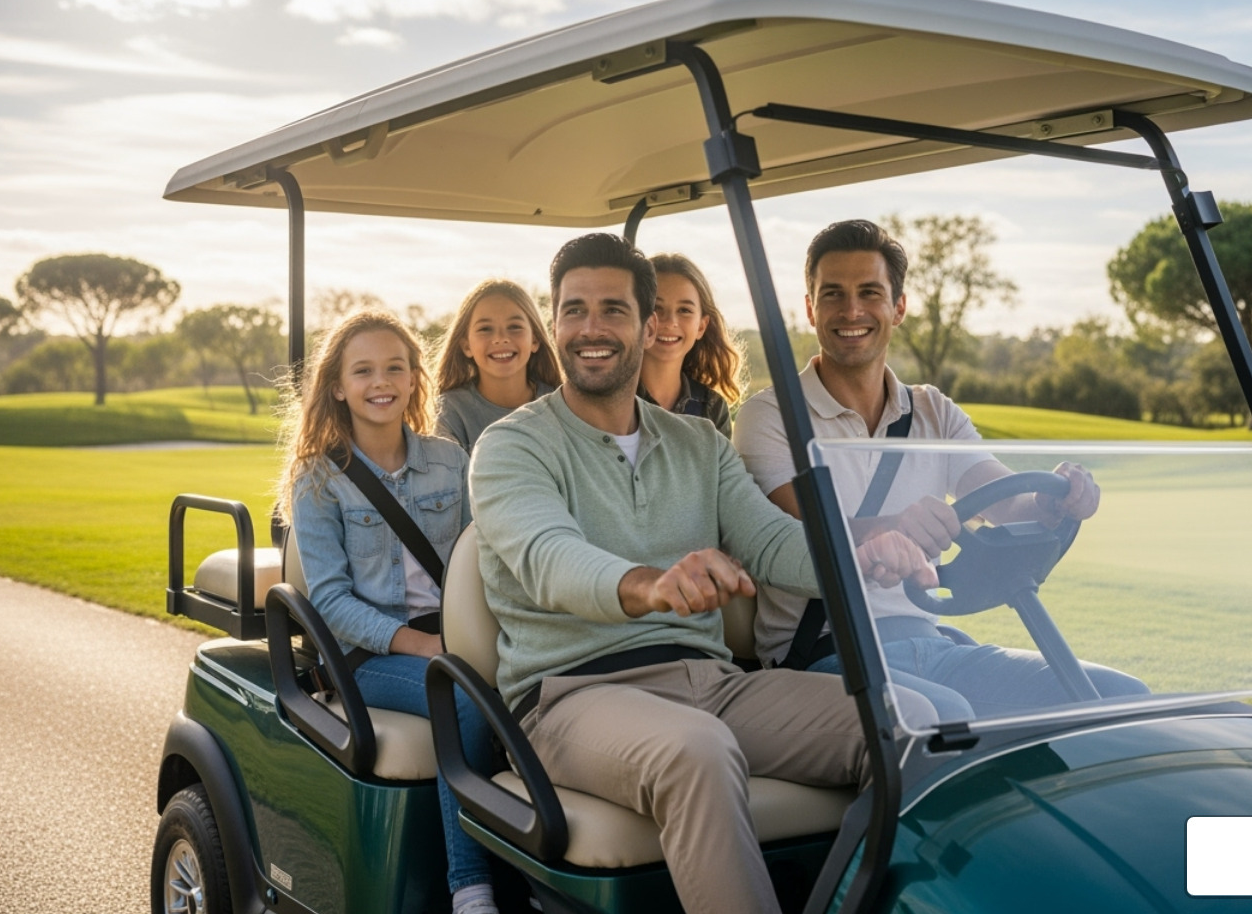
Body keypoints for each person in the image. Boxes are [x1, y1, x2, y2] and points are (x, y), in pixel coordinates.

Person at [468, 233, 935, 914]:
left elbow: (772, 542)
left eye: (612, 310)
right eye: (573, 310)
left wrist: (857, 558)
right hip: (570, 697)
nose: (590, 329)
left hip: (710, 682)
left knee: (909, 724)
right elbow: (548, 558)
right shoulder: (511, 445)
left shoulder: (698, 443)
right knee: (697, 750)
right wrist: (647, 583)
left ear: (648, 321)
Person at [734, 219, 1147, 722]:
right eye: (832, 295)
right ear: (809, 308)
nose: (852, 311)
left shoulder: (933, 412)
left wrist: (1052, 501)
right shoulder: (771, 416)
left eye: (870, 292)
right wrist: (892, 527)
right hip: (823, 653)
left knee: (1120, 694)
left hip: (933, 641)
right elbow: (798, 537)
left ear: (899, 307)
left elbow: (1003, 498)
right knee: (946, 717)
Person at [279, 309, 499, 914]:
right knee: (463, 697)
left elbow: (476, 564)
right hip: (366, 653)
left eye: (394, 368)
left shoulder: (450, 461)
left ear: (412, 379)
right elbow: (329, 603)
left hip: (453, 641)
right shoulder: (318, 479)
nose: (381, 382)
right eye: (364, 370)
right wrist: (420, 645)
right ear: (338, 386)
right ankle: (472, 887)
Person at [435, 278, 561, 453]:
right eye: (485, 329)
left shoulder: (560, 405)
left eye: (515, 326)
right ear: (466, 346)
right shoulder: (451, 410)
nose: (501, 338)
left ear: (535, 339)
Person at [636, 253, 746, 437]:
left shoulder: (712, 409)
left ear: (701, 326)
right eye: (656, 308)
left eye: (684, 310)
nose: (670, 322)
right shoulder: (611, 397)